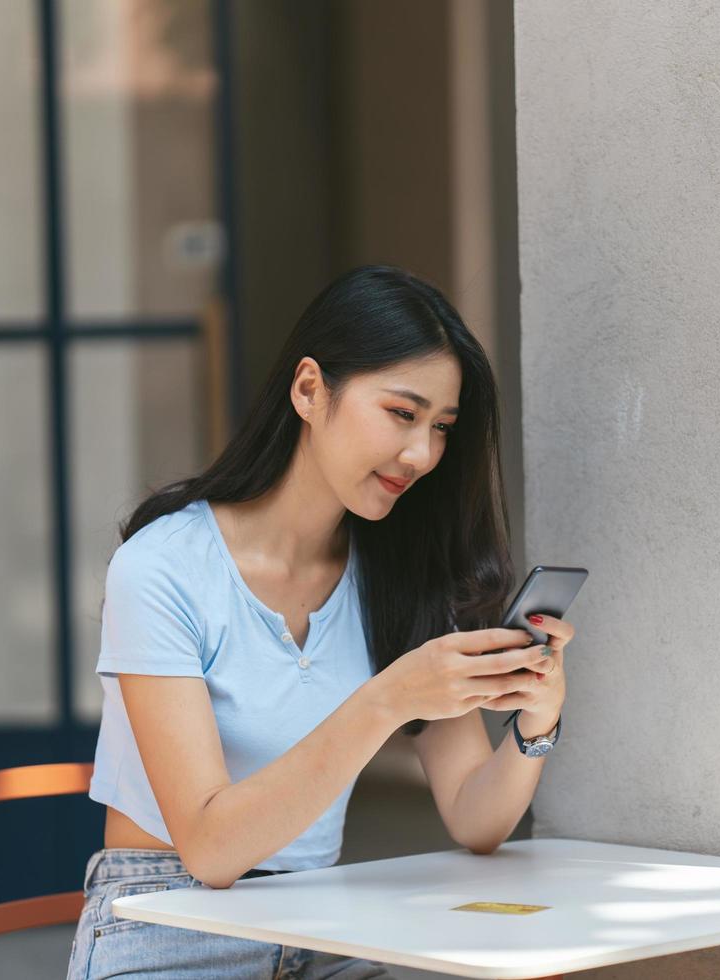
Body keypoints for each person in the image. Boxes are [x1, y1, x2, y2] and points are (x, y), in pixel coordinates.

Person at [66, 265, 572, 979]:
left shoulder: (398, 575)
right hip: (170, 922)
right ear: (309, 389)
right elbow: (211, 850)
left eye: (441, 429)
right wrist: (390, 698)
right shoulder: (162, 569)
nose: (423, 454)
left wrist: (536, 722)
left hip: (320, 923)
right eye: (402, 413)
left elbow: (473, 818)